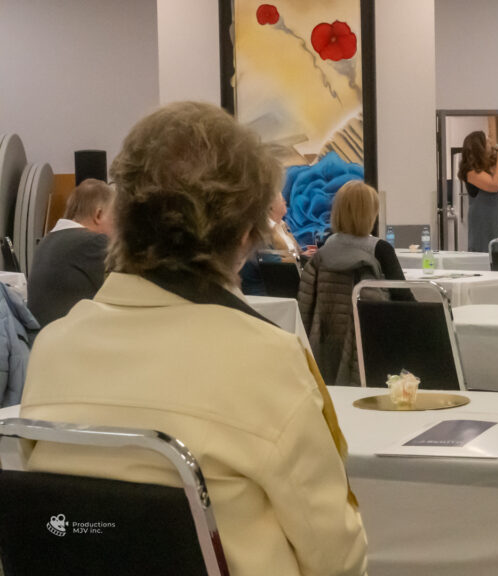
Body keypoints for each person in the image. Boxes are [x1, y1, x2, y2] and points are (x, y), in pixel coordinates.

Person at [19, 102, 368, 576]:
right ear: (246, 234)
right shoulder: (267, 360)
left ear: (119, 219)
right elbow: (337, 560)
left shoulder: (52, 350)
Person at [298, 180, 411, 385]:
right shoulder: (380, 250)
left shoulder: (324, 252)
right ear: (370, 213)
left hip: (326, 344)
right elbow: (406, 301)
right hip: (372, 345)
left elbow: (306, 304)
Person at [27, 178, 114, 327]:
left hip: (43, 340)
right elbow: (127, 288)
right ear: (99, 215)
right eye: (115, 218)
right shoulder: (93, 242)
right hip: (71, 341)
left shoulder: (47, 241)